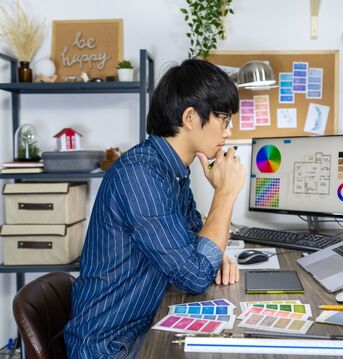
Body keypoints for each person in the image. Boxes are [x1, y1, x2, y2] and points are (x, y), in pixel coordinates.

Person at [64, 59, 245, 358]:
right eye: (223, 119)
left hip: (142, 329)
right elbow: (195, 275)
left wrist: (214, 255)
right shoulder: (141, 176)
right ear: (190, 117)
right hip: (109, 347)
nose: (227, 132)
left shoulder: (170, 171)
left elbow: (191, 250)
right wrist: (225, 193)